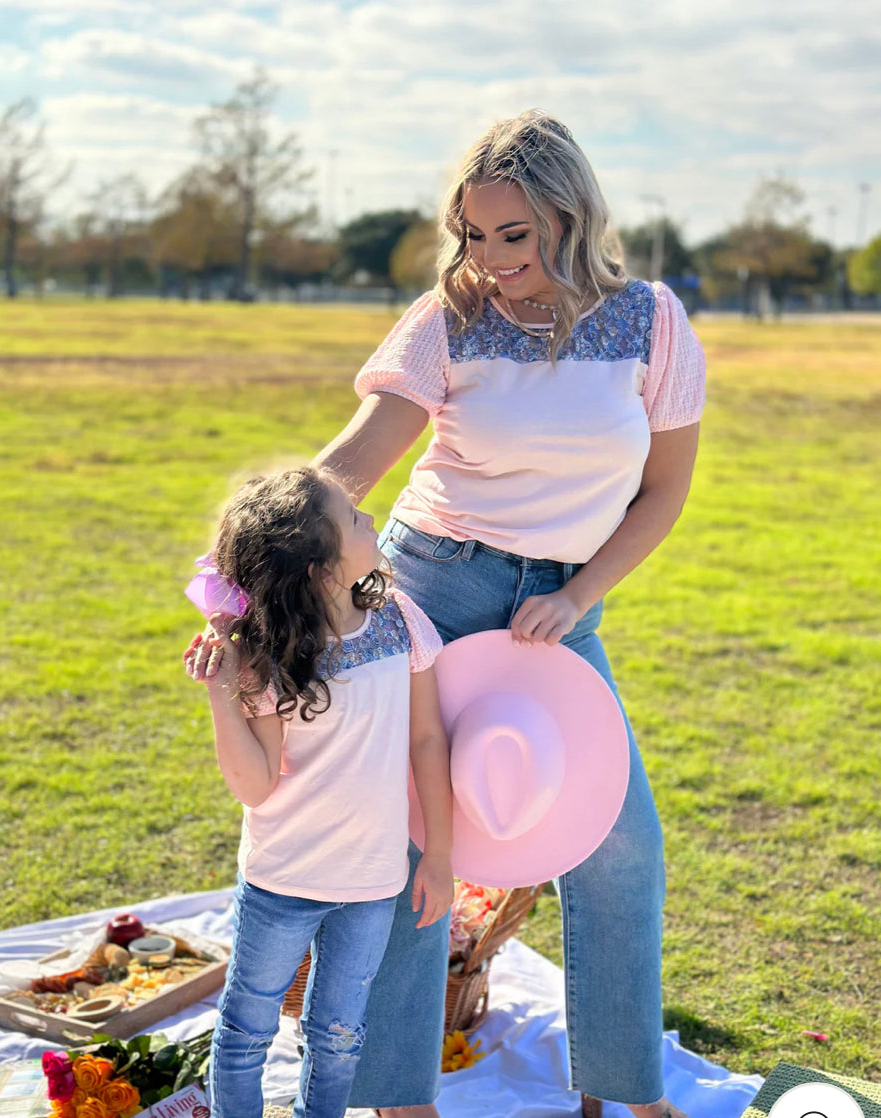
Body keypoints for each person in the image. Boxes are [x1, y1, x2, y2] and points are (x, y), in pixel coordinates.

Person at [313, 110, 706, 1118]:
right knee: (405, 839)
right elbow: (356, 459)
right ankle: (398, 1099)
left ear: (568, 218)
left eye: (513, 235)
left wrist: (578, 595)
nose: (489, 259)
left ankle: (621, 1093)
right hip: (430, 586)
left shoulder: (653, 323)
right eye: (474, 235)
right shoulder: (447, 316)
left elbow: (662, 490)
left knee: (621, 846)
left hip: (559, 606)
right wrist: (263, 543)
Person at [183, 467, 453, 1118]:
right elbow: (256, 783)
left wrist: (440, 856)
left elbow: (426, 741)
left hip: (370, 884)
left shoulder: (398, 619)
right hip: (281, 883)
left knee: (337, 1036)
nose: (371, 520)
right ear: (319, 567)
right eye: (355, 519)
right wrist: (223, 693)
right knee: (247, 1032)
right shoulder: (268, 657)